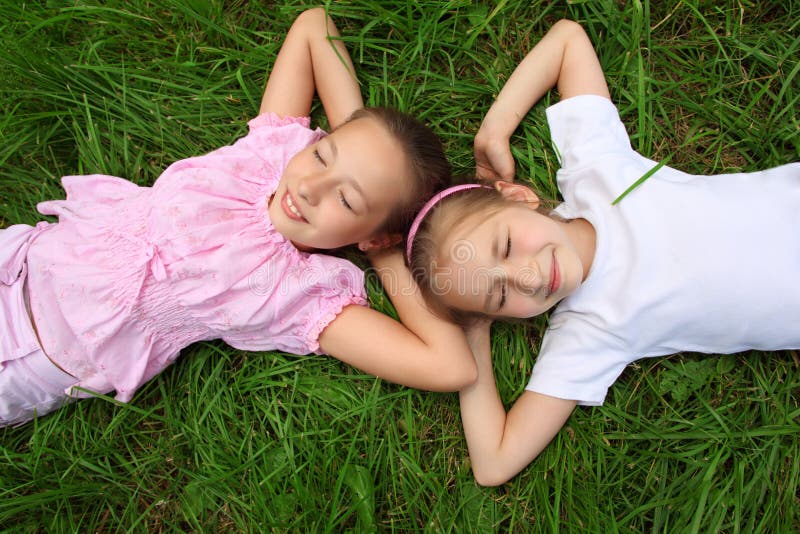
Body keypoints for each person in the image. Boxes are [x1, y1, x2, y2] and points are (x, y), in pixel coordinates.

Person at [0, 8, 477, 427]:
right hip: (19, 260)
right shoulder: (271, 152)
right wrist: (361, 144)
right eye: (324, 155)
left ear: (374, 237)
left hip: (37, 358)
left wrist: (386, 250)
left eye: (347, 200)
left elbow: (450, 367)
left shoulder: (302, 297)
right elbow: (314, 27)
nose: (309, 188)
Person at [405, 19, 799, 485]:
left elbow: (568, 40)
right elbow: (493, 463)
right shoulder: (588, 334)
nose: (526, 277)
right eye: (499, 298)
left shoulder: (597, 171)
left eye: (507, 246)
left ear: (517, 196)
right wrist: (469, 329)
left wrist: (495, 129)